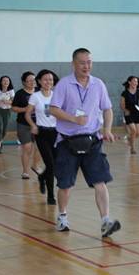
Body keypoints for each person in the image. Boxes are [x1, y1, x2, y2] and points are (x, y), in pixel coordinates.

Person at [49, 48, 121, 237]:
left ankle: (105, 220)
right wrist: (73, 119)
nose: (86, 66)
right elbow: (53, 109)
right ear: (73, 64)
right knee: (65, 184)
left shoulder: (98, 84)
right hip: (67, 141)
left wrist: (107, 129)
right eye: (82, 63)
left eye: (89, 62)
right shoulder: (64, 84)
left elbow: (107, 109)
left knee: (100, 181)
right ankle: (62, 216)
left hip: (92, 141)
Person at [25, 69, 60, 204]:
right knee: (50, 164)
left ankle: (42, 177)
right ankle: (51, 195)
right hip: (42, 134)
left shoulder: (57, 95)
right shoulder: (36, 96)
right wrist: (33, 125)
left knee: (54, 164)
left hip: (56, 133)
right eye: (45, 79)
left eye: (50, 79)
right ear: (39, 81)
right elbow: (27, 114)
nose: (48, 82)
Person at [12, 71, 41, 180]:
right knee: (27, 147)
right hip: (24, 124)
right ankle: (25, 171)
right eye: (29, 81)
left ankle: (35, 165)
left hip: (39, 123)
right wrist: (25, 109)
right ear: (24, 82)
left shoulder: (39, 91)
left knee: (40, 147)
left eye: (34, 80)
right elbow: (13, 108)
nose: (32, 82)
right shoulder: (20, 94)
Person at [120, 76, 139, 155]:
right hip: (128, 114)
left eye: (137, 81)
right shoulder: (125, 93)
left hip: (136, 114)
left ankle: (129, 139)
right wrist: (125, 110)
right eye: (134, 81)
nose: (136, 83)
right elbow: (122, 104)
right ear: (129, 82)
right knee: (133, 130)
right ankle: (132, 148)